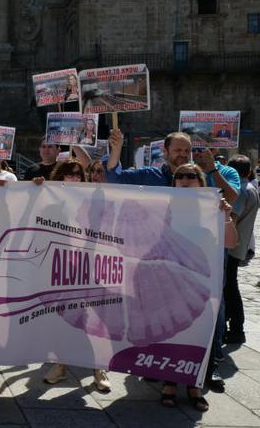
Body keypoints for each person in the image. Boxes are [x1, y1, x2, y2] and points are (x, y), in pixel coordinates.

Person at [159, 163, 238, 412]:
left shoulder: (214, 208)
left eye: (190, 176)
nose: (184, 179)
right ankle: (169, 381)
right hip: (171, 280)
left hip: (202, 282)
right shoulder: (163, 206)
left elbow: (231, 242)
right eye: (179, 176)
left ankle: (194, 383)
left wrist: (225, 216)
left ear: (201, 182)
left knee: (199, 334)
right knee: (172, 330)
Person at [38, 161, 111, 392]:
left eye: (79, 174)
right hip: (61, 265)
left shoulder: (93, 198)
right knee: (64, 318)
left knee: (94, 318)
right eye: (69, 174)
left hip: (90, 263)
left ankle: (99, 368)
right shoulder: (48, 197)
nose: (74, 178)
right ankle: (60, 365)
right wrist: (35, 188)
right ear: (60, 175)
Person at [105, 130, 239, 205]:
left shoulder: (200, 178)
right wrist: (116, 150)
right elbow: (114, 179)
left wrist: (213, 170)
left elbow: (229, 200)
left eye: (187, 151)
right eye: (178, 150)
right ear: (165, 151)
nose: (183, 154)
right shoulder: (148, 176)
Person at [223, 155, 259, 344]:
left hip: (231, 247)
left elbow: (232, 218)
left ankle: (236, 328)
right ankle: (235, 326)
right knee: (231, 286)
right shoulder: (252, 188)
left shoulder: (241, 191)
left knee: (230, 287)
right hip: (240, 245)